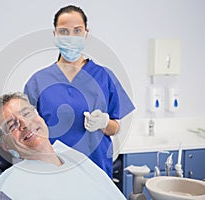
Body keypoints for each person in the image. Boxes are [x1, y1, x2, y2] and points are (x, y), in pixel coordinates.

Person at [24, 5, 135, 178]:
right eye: (64, 31)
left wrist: (104, 123)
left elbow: (115, 128)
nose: (71, 37)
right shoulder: (38, 81)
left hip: (96, 168)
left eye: (77, 31)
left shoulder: (104, 76)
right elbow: (27, 130)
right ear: (55, 35)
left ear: (86, 34)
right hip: (53, 170)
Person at [0, 92, 126, 200]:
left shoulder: (73, 158)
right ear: (4, 145)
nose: (25, 124)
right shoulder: (10, 190)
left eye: (27, 113)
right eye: (11, 125)